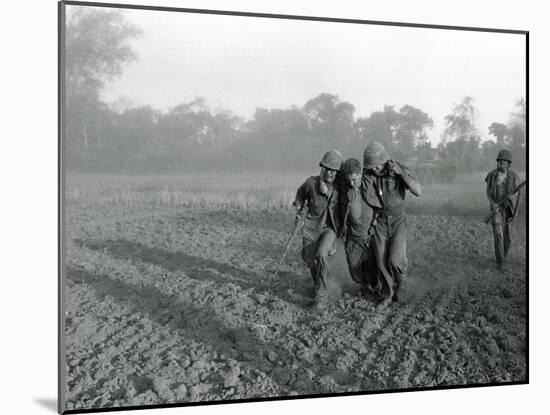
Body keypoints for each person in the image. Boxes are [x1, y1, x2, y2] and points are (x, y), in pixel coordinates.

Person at [361, 142, 422, 307]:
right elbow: (369, 199)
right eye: (371, 166)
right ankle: (387, 294)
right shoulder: (367, 174)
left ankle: (401, 282)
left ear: (384, 160)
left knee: (395, 260)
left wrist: (400, 174)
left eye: (377, 165)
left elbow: (418, 190)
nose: (374, 169)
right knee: (381, 261)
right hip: (379, 221)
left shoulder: (398, 168)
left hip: (398, 221)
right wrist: (371, 223)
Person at [293, 150, 343, 308]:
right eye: (327, 168)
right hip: (311, 227)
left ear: (338, 172)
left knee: (321, 254)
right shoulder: (311, 183)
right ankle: (318, 285)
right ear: (322, 168)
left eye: (333, 170)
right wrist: (299, 208)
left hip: (330, 229)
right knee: (310, 260)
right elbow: (300, 195)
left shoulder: (341, 187)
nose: (330, 173)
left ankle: (321, 294)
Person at [339, 158, 378, 295]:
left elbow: (380, 206)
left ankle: (374, 287)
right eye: (348, 179)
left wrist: (374, 222)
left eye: (354, 179)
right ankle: (364, 285)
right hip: (352, 236)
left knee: (371, 266)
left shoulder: (369, 189)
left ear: (360, 174)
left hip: (369, 235)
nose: (351, 183)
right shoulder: (346, 191)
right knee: (353, 267)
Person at [485, 149, 520, 269]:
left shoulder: (514, 176)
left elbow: (517, 192)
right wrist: (493, 203)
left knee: (507, 238)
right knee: (498, 235)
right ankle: (500, 262)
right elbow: (487, 191)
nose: (501, 164)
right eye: (499, 162)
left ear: (509, 164)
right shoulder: (492, 175)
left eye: (503, 162)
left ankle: (503, 257)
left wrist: (512, 196)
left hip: (508, 209)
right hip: (495, 210)